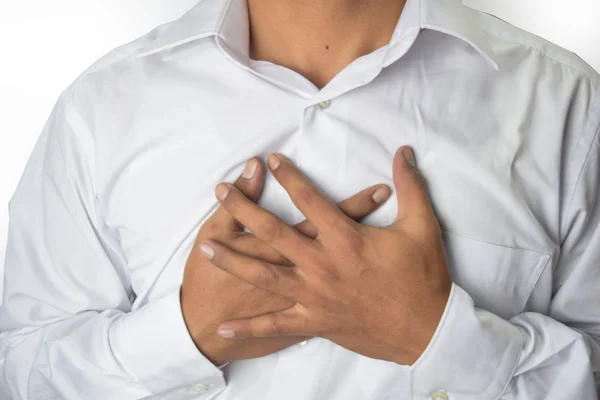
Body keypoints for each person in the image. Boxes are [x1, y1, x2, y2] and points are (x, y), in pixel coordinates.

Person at [1, 0, 599, 398]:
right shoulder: (102, 108)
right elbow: (22, 372)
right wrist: (184, 333)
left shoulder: (567, 105)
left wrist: (431, 336)